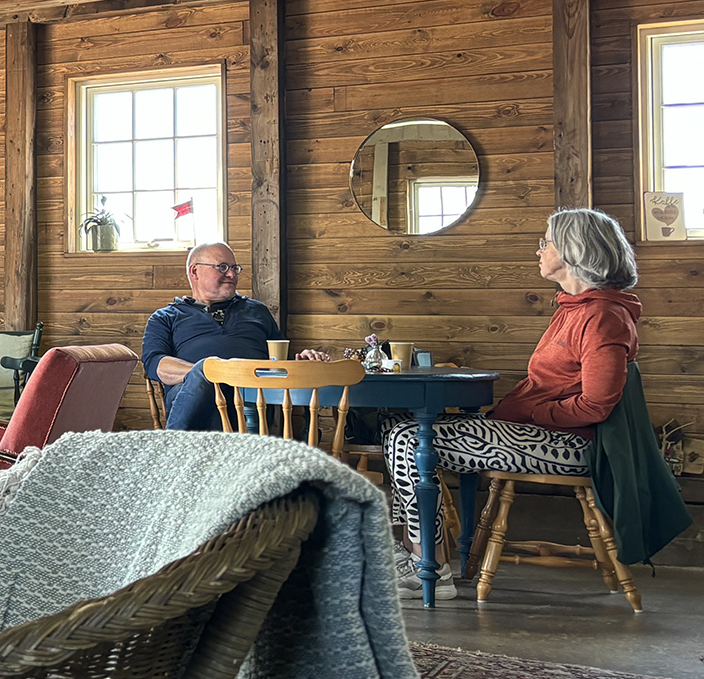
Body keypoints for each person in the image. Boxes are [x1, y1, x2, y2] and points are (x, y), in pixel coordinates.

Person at [382, 207, 641, 572]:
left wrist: (534, 412)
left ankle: (429, 564)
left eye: (546, 243)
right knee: (393, 424)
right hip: (540, 432)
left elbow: (596, 405)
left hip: (571, 445)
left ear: (575, 250)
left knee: (407, 439)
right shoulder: (574, 309)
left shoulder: (602, 318)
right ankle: (415, 548)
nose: (539, 250)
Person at [141, 242, 326, 431]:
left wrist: (301, 361)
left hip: (253, 400)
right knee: (205, 373)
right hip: (194, 401)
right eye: (222, 267)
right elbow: (155, 363)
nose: (231, 274)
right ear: (195, 271)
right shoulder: (166, 317)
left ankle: (174, 446)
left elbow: (278, 360)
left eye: (234, 268)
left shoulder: (257, 311)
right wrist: (211, 373)